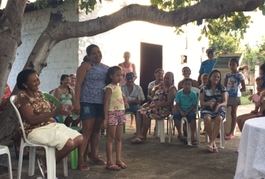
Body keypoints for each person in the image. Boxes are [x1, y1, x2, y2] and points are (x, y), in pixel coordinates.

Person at [15, 69, 83, 177]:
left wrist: (64, 108)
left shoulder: (39, 94)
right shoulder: (22, 97)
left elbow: (50, 109)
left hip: (49, 125)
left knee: (79, 139)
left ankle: (45, 162)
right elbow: (31, 119)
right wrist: (55, 113)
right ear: (25, 84)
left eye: (38, 79)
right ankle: (47, 166)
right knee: (69, 143)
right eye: (34, 81)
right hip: (33, 130)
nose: (38, 82)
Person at [74, 44, 108, 170]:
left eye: (98, 52)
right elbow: (78, 85)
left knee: (97, 130)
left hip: (101, 103)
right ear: (88, 56)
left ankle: (94, 155)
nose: (97, 55)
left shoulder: (106, 68)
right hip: (87, 102)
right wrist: (76, 102)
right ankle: (81, 159)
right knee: (87, 131)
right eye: (94, 53)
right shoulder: (85, 67)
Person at [131, 72, 177, 143]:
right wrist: (154, 91)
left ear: (172, 80)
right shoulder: (161, 85)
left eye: (168, 78)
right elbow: (153, 93)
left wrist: (156, 105)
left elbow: (169, 103)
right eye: (165, 78)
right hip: (154, 107)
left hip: (164, 109)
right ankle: (139, 133)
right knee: (139, 111)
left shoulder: (172, 89)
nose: (166, 79)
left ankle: (143, 136)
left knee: (146, 114)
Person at [103, 66, 128, 170]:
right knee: (111, 138)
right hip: (112, 113)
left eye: (121, 75)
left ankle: (118, 159)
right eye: (117, 75)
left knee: (119, 138)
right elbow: (105, 103)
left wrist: (125, 102)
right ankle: (109, 162)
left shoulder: (119, 87)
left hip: (121, 113)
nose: (120, 77)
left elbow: (121, 98)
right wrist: (105, 118)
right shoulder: (109, 88)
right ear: (111, 76)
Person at [200, 70, 227, 153]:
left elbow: (225, 102)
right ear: (210, 77)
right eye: (214, 76)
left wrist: (219, 105)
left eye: (218, 77)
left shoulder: (222, 88)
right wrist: (208, 104)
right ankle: (213, 143)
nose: (216, 78)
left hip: (219, 108)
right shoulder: (204, 88)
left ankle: (211, 142)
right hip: (207, 108)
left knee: (218, 118)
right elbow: (201, 102)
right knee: (207, 119)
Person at [224, 58, 246, 140]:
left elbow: (244, 88)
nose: (231, 66)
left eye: (233, 64)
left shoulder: (239, 75)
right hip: (227, 96)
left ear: (237, 65)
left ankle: (231, 132)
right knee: (223, 112)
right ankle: (221, 130)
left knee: (233, 113)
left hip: (235, 96)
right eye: (230, 64)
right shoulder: (227, 75)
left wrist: (237, 90)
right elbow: (224, 86)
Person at [173, 78, 198, 145]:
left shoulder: (193, 94)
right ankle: (180, 134)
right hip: (180, 109)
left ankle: (192, 136)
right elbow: (177, 105)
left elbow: (194, 105)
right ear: (182, 85)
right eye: (186, 84)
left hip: (190, 110)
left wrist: (187, 111)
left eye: (189, 84)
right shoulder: (179, 93)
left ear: (191, 86)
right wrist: (181, 111)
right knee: (176, 116)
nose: (187, 86)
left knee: (192, 117)